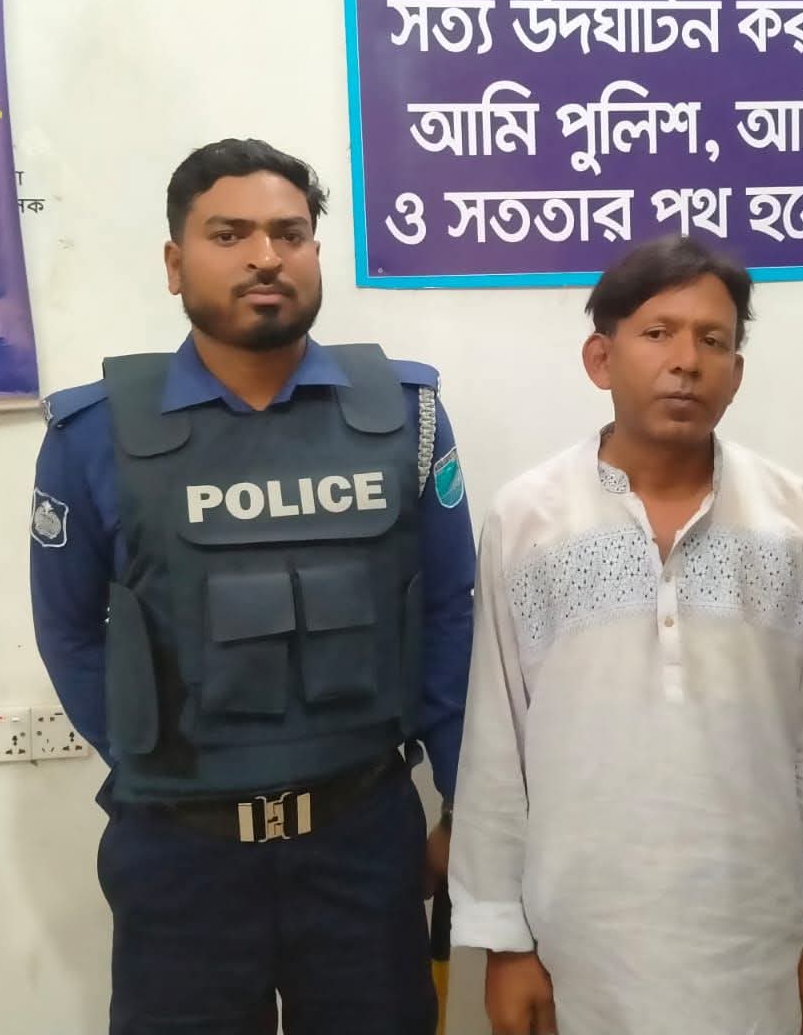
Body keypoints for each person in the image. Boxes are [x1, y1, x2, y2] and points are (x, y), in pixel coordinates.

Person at [29, 137, 475, 1035]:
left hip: (364, 846)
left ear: (315, 253)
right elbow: (69, 631)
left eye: (289, 234)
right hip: (179, 856)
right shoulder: (94, 435)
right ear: (175, 264)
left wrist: (464, 806)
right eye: (229, 234)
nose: (266, 256)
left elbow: (448, 614)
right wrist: (154, 758)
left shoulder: (409, 416)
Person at [449, 236, 803, 1035]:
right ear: (601, 358)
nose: (686, 361)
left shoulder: (797, 521)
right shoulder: (528, 520)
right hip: (578, 940)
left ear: (737, 373)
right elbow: (495, 743)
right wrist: (503, 942)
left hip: (755, 940)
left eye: (712, 340)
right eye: (658, 333)